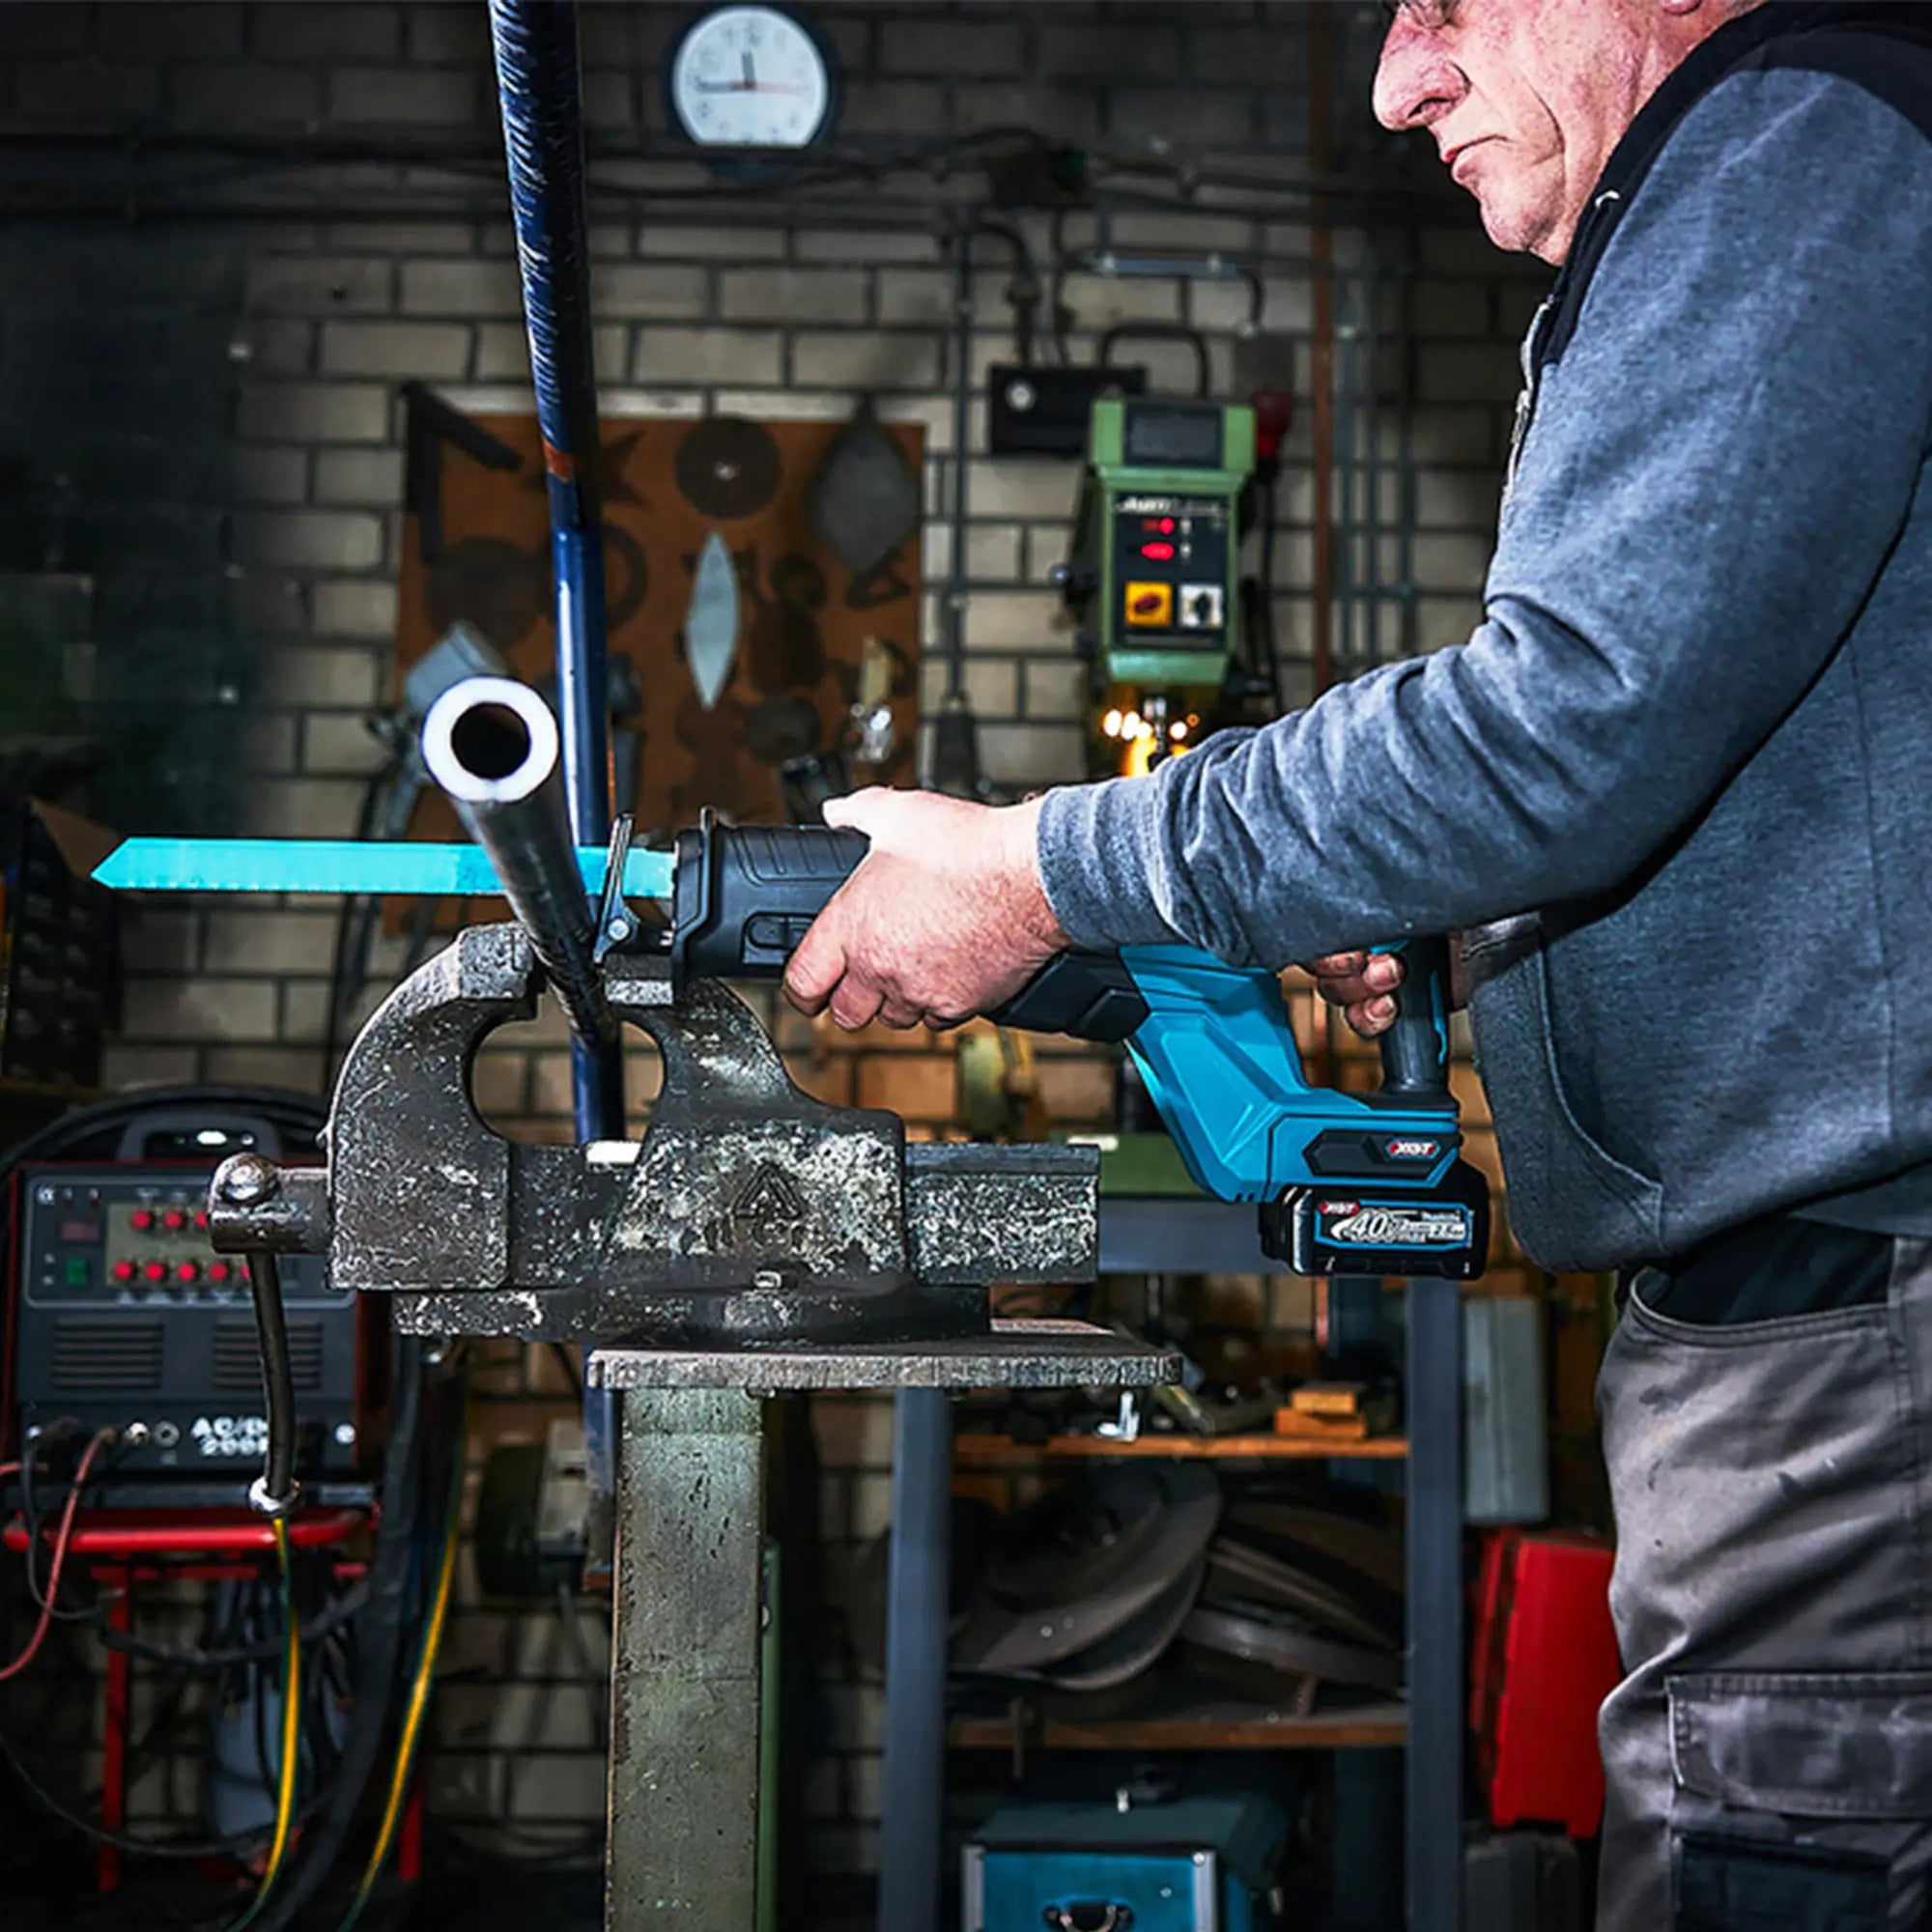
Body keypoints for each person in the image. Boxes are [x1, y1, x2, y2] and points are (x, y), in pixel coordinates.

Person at [787, 0, 1932, 1922]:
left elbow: (1565, 720)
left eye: (1439, 3)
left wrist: (1039, 870)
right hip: (1821, 1310)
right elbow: (1776, 762)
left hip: (1860, 1316)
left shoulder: (1792, 141)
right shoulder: (1768, 173)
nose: (1402, 87)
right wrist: (1461, 917)